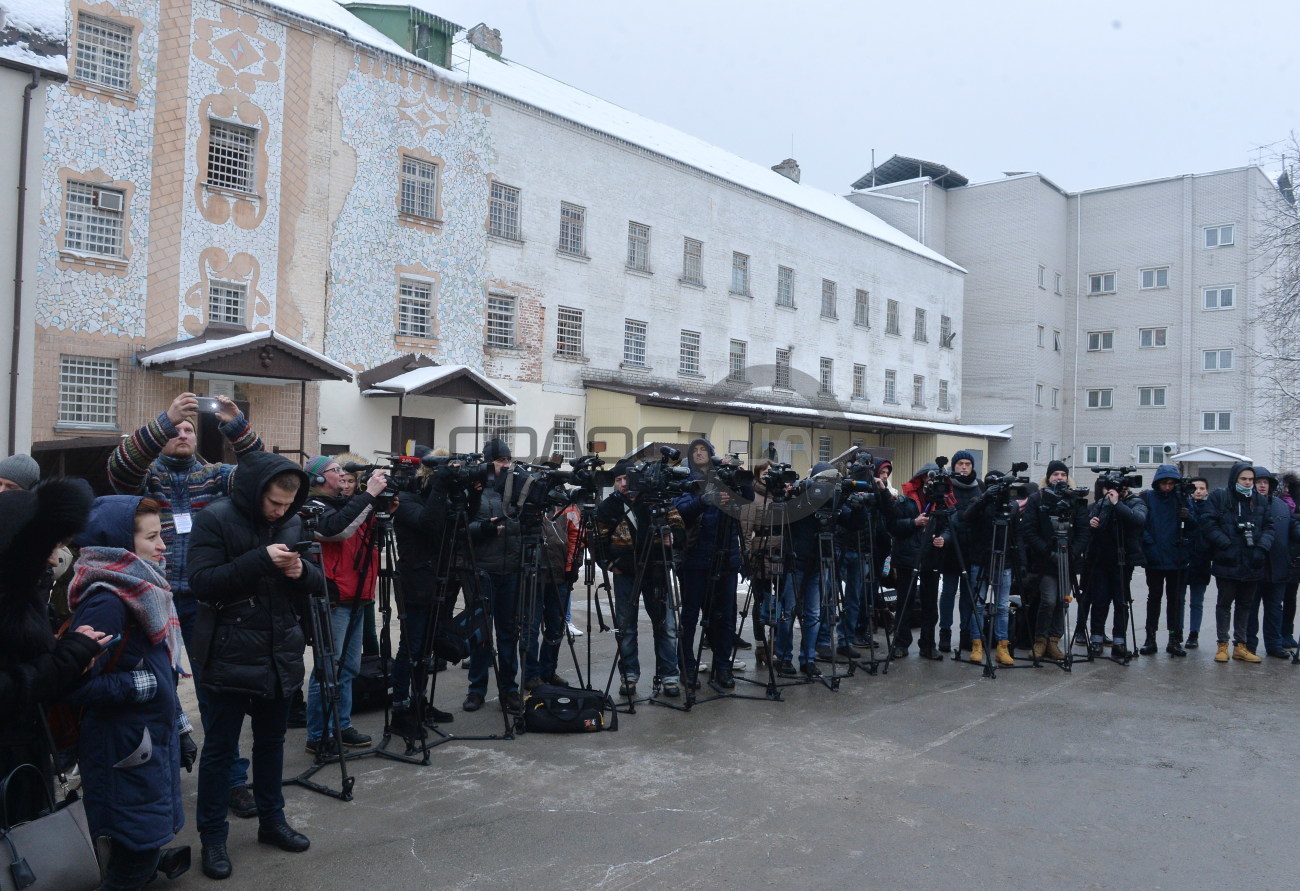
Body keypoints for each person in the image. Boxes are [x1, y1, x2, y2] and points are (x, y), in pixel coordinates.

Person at [108, 391, 264, 818]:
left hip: (204, 603)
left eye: (189, 429)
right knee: (156, 696)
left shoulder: (217, 477)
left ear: (199, 438)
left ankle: (230, 779)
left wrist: (235, 423)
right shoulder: (145, 481)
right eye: (175, 429)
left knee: (216, 695)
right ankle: (159, 780)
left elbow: (259, 472)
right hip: (149, 602)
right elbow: (120, 467)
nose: (181, 432)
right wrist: (166, 418)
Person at [187, 451, 320, 880]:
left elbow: (319, 586)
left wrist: (302, 571)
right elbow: (202, 583)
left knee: (271, 744)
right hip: (227, 654)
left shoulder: (291, 521)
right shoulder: (215, 518)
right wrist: (261, 559)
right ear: (254, 491)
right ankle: (211, 838)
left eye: (288, 505)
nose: (282, 511)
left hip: (279, 652)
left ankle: (272, 822)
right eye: (275, 504)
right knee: (221, 751)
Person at [65, 496, 192, 890]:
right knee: (131, 861)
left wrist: (181, 725)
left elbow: (160, 663)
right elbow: (73, 685)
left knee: (142, 844)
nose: (163, 546)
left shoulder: (143, 588)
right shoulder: (106, 601)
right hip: (123, 749)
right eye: (152, 537)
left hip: (146, 740)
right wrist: (144, 686)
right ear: (121, 546)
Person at [0, 479, 106, 824]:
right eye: (43, 545)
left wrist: (78, 658)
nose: (52, 558)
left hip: (24, 760)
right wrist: (69, 657)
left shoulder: (23, 595)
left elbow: (36, 670)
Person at [301, 455, 388, 755]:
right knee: (329, 667)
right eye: (335, 470)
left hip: (358, 594)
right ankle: (319, 734)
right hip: (334, 597)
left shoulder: (345, 504)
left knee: (349, 667)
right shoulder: (311, 506)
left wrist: (380, 501)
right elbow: (337, 530)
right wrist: (369, 495)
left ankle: (342, 724)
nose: (341, 474)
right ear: (317, 479)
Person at [594, 459, 684, 698]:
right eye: (618, 480)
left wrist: (672, 537)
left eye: (627, 478)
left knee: (666, 626)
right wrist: (610, 565)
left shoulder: (656, 500)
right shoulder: (609, 506)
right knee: (626, 627)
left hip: (657, 571)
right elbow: (596, 540)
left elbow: (678, 526)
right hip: (626, 575)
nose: (623, 484)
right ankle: (629, 675)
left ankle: (669, 676)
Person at [673, 439, 751, 690]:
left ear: (711, 453)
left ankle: (723, 666)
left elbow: (747, 496)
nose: (699, 453)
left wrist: (736, 473)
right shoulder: (686, 477)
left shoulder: (723, 475)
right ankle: (687, 665)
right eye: (695, 450)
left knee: (725, 616)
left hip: (726, 555)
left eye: (704, 449)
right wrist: (703, 500)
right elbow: (681, 510)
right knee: (691, 615)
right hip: (695, 556)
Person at [462, 438, 523, 713]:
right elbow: (462, 527)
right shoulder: (474, 490)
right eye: (500, 461)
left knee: (509, 632)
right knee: (481, 633)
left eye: (508, 461)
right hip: (483, 569)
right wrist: (484, 529)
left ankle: (509, 690)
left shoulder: (518, 488)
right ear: (488, 462)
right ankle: (476, 689)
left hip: (510, 570)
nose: (506, 466)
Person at [1201, 462, 1275, 663]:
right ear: (1235, 479)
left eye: (1251, 479)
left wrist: (1261, 548)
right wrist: (1225, 543)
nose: (1248, 483)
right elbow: (1208, 523)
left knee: (1246, 605)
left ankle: (1241, 646)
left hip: (1252, 561)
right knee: (1224, 604)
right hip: (1227, 561)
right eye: (1244, 479)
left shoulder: (1260, 501)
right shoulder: (1220, 497)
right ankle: (1222, 645)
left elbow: (1269, 527)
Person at [1019, 461, 1091, 661]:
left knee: (1062, 600)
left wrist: (1073, 553)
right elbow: (1029, 531)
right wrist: (1048, 553)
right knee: (1049, 600)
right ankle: (1040, 640)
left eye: (1063, 474)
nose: (1059, 478)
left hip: (1068, 561)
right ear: (1048, 477)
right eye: (1055, 474)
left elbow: (1084, 530)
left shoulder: (1075, 499)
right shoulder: (1037, 499)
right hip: (1045, 562)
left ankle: (1054, 641)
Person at [1082, 476, 1147, 659]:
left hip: (1124, 559)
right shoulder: (1103, 503)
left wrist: (1117, 504)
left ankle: (1119, 641)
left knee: (1121, 601)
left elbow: (1138, 520)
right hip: (1102, 557)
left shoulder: (1136, 502)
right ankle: (1096, 640)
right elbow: (1093, 522)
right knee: (1100, 600)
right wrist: (1093, 523)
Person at [888, 464, 947, 660]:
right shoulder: (905, 501)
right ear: (921, 479)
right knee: (905, 602)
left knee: (930, 603)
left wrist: (943, 538)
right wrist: (914, 522)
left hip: (932, 556)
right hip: (907, 557)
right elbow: (894, 527)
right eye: (929, 479)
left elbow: (950, 524)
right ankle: (900, 643)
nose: (932, 483)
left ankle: (928, 645)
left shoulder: (943, 501)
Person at [1138, 465, 1195, 657]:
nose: (1168, 487)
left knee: (1176, 600)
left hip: (1177, 557)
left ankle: (1174, 638)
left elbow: (1195, 526)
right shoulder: (1147, 498)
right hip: (1154, 557)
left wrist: (1189, 517)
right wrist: (1150, 547)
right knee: (1154, 598)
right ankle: (1150, 638)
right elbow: (1141, 525)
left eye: (1171, 483)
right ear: (1158, 483)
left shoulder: (1182, 499)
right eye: (1164, 483)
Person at [937, 451, 985, 660]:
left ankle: (966, 633)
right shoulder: (946, 486)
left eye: (967, 464)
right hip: (950, 548)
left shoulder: (980, 486)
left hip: (972, 548)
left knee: (968, 594)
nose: (964, 467)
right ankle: (945, 632)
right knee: (948, 592)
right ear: (954, 466)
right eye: (960, 464)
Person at [1245, 467, 1297, 657]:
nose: (1262, 485)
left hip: (1278, 567)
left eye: (1266, 482)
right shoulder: (1245, 505)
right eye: (1259, 482)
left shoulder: (1281, 506)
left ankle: (1274, 645)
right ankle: (1248, 644)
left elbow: (1292, 531)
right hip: (1253, 566)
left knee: (1275, 608)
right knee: (1251, 608)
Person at [1184, 477, 1212, 648]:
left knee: (1197, 601)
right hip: (1183, 558)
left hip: (1201, 559)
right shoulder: (1183, 505)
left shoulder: (1210, 508)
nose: (1198, 491)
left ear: (1207, 490)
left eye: (1202, 488)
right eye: (1195, 488)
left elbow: (1203, 527)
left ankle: (1194, 633)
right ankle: (1177, 631)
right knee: (1179, 600)